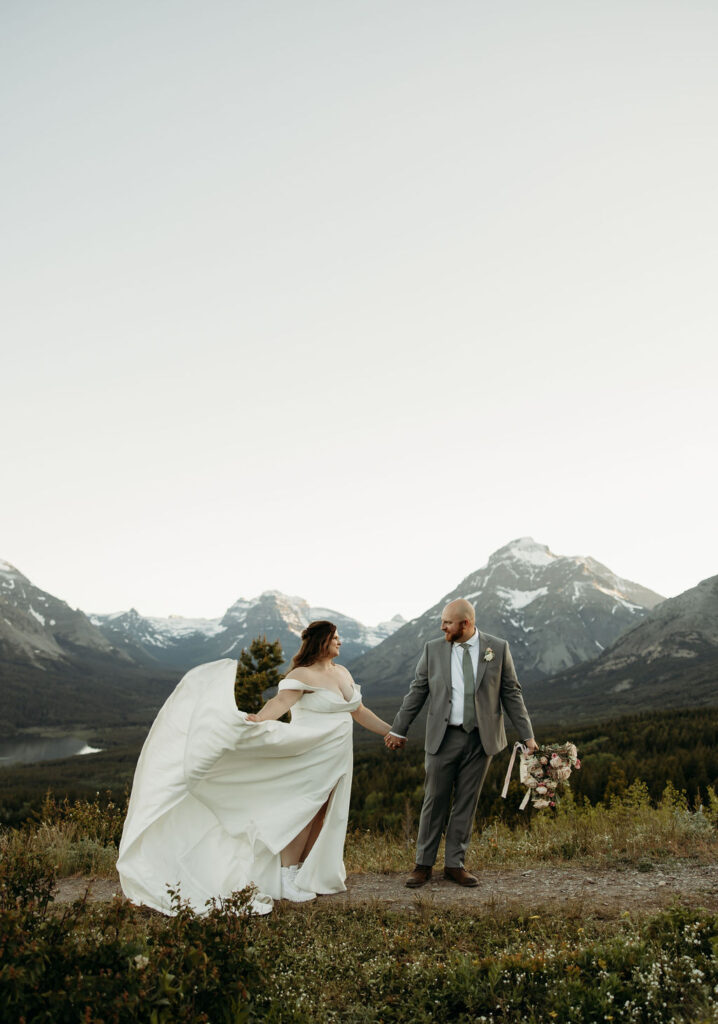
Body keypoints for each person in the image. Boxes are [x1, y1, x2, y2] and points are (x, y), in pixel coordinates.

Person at [117, 620, 392, 915]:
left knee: (325, 810)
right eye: (335, 637)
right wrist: (259, 721)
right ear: (321, 641)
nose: (340, 642)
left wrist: (392, 731)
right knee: (306, 809)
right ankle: (287, 875)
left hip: (337, 755)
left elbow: (359, 711)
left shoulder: (342, 673)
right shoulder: (302, 674)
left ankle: (305, 872)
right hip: (309, 751)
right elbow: (281, 702)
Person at [385, 598, 538, 888]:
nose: (442, 626)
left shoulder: (498, 648)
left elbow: (511, 693)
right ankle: (423, 865)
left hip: (482, 740)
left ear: (465, 624)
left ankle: (455, 865)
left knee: (466, 803)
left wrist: (527, 735)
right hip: (443, 737)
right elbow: (416, 692)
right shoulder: (433, 650)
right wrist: (398, 730)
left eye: (447, 622)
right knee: (435, 801)